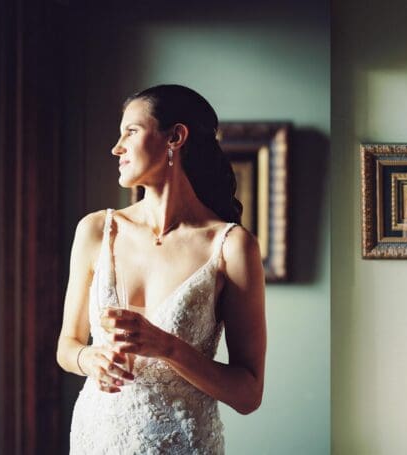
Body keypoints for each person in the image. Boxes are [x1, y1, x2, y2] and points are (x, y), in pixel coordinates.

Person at [56, 84, 267, 454]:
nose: (116, 147)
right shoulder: (95, 230)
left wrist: (168, 347)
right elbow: (67, 345)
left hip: (182, 443)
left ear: (175, 137)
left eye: (130, 132)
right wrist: (87, 358)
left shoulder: (231, 246)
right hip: (98, 437)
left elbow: (248, 394)